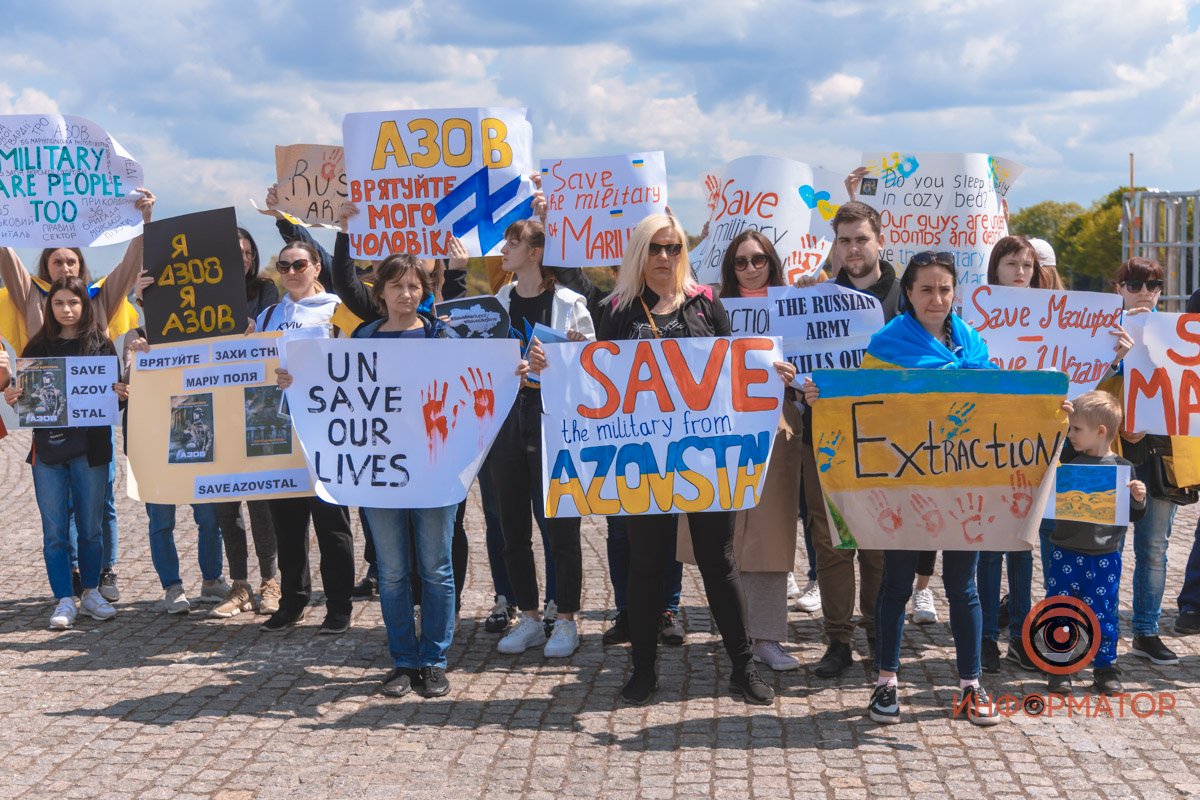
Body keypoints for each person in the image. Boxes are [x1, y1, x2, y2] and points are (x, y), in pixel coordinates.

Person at [595, 212, 793, 706]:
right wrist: (548, 366)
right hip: (643, 459)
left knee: (718, 563)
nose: (665, 258)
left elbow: (732, 369)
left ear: (684, 252)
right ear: (640, 253)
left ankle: (743, 668)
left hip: (704, 458)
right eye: (656, 248)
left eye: (674, 248)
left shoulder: (706, 304)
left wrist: (771, 371)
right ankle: (643, 669)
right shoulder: (617, 309)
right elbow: (592, 377)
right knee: (647, 565)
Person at [804, 251, 1008, 726]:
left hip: (962, 482)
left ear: (955, 292)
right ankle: (885, 683)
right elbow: (859, 397)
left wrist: (1046, 410)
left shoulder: (974, 343)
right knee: (896, 585)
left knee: (964, 588)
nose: (936, 298)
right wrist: (821, 395)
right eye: (926, 289)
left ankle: (970, 686)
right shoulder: (888, 343)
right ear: (909, 295)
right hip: (902, 484)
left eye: (944, 289)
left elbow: (1001, 402)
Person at [0, 188, 156, 603]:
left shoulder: (99, 297)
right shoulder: (32, 298)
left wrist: (145, 220)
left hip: (92, 422)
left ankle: (102, 573)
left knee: (98, 506)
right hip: (51, 428)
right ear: (45, 266)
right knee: (59, 511)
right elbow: (6, 257)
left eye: (70, 260)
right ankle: (70, 578)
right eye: (56, 260)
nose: (63, 265)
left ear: (81, 264)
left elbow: (129, 263)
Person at [690, 229, 802, 671]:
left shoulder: (795, 304)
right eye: (741, 261)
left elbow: (815, 357)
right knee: (725, 536)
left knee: (771, 531)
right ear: (729, 267)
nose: (751, 268)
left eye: (759, 260)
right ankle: (737, 634)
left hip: (778, 424)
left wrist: (793, 374)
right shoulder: (710, 307)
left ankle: (769, 637)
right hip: (724, 425)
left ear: (772, 263)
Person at [490, 218, 593, 659]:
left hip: (553, 421)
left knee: (560, 524)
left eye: (513, 243)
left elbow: (594, 367)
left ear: (535, 252)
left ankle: (566, 618)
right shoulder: (496, 302)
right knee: (512, 524)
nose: (504, 250)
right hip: (507, 421)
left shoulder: (570, 303)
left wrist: (566, 354)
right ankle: (529, 616)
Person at [3, 277, 126, 629]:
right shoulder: (36, 347)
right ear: (50, 307)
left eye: (73, 302)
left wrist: (121, 392)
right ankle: (63, 600)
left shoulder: (101, 345)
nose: (67, 310)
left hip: (92, 448)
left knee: (90, 528)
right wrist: (13, 396)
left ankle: (90, 592)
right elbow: (23, 395)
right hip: (49, 451)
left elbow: (113, 395)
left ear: (84, 306)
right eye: (59, 303)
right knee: (55, 531)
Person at [805, 200, 893, 678]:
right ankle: (838, 639)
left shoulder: (906, 295)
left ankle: (881, 632)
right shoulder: (815, 298)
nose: (853, 248)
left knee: (881, 542)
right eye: (844, 240)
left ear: (880, 239)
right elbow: (793, 363)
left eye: (861, 238)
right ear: (834, 246)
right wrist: (801, 383)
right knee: (833, 544)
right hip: (827, 441)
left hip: (888, 445)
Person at [258, 241, 357, 633]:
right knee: (287, 524)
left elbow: (355, 363)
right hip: (280, 431)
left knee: (331, 523)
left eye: (300, 263)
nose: (291, 271)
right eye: (283, 265)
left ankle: (338, 606)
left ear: (317, 267)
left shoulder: (338, 310)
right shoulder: (268, 314)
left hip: (327, 431)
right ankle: (292, 601)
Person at [976, 236, 1046, 672]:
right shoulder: (975, 320)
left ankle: (1021, 634)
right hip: (986, 443)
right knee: (986, 544)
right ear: (995, 269)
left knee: (1022, 546)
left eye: (1027, 264)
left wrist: (1110, 354)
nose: (1020, 271)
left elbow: (1075, 371)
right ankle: (984, 637)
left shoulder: (1055, 316)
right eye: (1011, 263)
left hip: (1035, 444)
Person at [1046, 391, 1147, 695]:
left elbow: (1133, 515)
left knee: (1103, 611)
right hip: (1064, 551)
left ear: (1100, 432)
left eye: (1076, 429)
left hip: (1104, 555)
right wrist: (1058, 417)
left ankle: (1105, 667)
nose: (1071, 434)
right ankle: (1059, 667)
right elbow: (1047, 450)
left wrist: (1138, 499)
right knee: (1060, 610)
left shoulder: (1123, 468)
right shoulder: (1066, 459)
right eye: (1070, 428)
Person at [1109, 257, 1181, 666]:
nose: (1144, 291)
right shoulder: (1100, 333)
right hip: (1115, 454)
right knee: (1109, 546)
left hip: (1159, 455)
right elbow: (1085, 388)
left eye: (1153, 284)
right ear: (1118, 287)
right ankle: (1101, 628)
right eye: (1135, 283)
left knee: (1154, 548)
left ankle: (1146, 631)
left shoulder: (1176, 335)